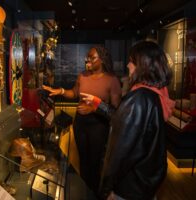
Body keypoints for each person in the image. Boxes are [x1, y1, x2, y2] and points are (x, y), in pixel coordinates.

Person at [81, 40, 175, 200]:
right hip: (143, 187)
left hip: (128, 189)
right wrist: (99, 104)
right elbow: (126, 123)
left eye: (132, 61)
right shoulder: (154, 94)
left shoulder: (139, 98)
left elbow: (119, 154)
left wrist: (105, 191)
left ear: (143, 65)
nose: (128, 66)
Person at [42, 45, 122, 196]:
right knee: (83, 161)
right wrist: (61, 91)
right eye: (87, 57)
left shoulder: (112, 80)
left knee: (95, 163)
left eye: (92, 57)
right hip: (80, 124)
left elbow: (116, 111)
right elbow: (74, 93)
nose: (88, 60)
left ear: (102, 59)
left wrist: (94, 108)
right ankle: (84, 191)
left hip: (98, 126)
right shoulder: (82, 76)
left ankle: (94, 193)